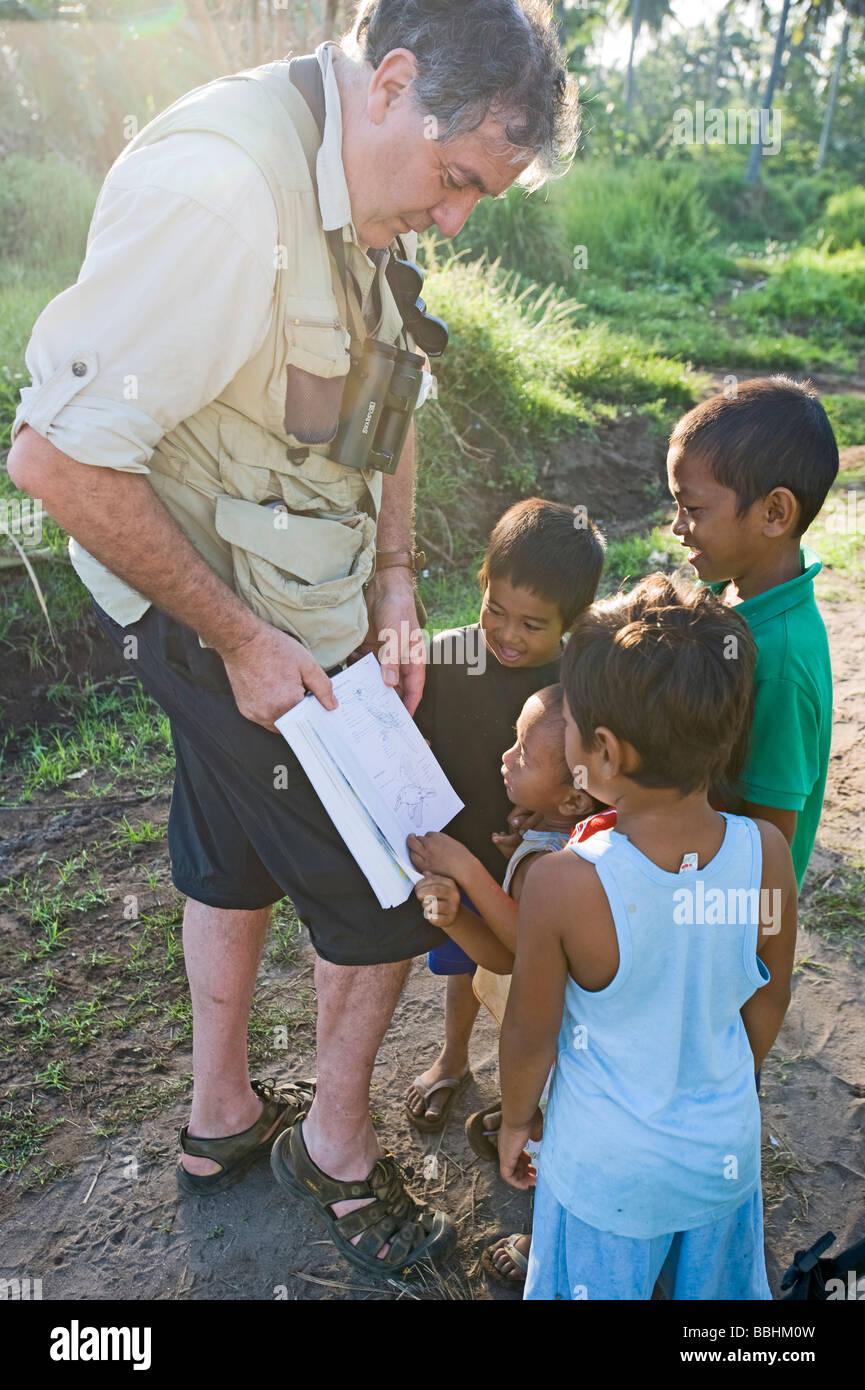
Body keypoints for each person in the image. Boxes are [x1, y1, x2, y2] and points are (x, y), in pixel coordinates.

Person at [7, 1, 578, 1277]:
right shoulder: (225, 192)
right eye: (455, 178)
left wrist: (389, 572)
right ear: (391, 83)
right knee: (386, 887)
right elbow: (54, 458)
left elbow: (399, 382)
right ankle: (337, 1154)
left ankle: (219, 1124)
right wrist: (242, 642)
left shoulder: (361, 188)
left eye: (477, 195)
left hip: (311, 612)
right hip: (231, 625)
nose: (451, 219)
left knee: (228, 852)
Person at [498, 574, 797, 1301]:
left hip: (605, 1172)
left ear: (602, 750)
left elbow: (529, 1035)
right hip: (721, 1155)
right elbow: (766, 1001)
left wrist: (513, 1122)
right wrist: (712, 1078)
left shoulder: (564, 883)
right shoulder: (765, 851)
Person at [404, 500, 605, 1131]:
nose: (508, 635)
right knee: (463, 961)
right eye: (495, 609)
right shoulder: (444, 660)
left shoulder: (580, 679)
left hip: (541, 855)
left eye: (533, 625)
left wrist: (549, 824)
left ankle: (529, 1097)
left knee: (538, 986)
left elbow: (592, 782)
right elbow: (414, 742)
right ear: (482, 581)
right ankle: (453, 1058)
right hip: (460, 843)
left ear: (571, 624)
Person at [409, 683, 609, 1285]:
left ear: (574, 799)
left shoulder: (563, 867)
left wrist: (471, 870)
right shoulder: (558, 839)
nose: (505, 757)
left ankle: (557, 1240)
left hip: (564, 1051)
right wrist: (461, 916)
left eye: (522, 753)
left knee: (565, 1132)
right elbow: (502, 955)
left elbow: (526, 949)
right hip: (561, 1044)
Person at [667, 375, 838, 890]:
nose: (677, 526)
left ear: (774, 513)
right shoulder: (735, 590)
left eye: (693, 509)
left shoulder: (780, 662)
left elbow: (770, 847)